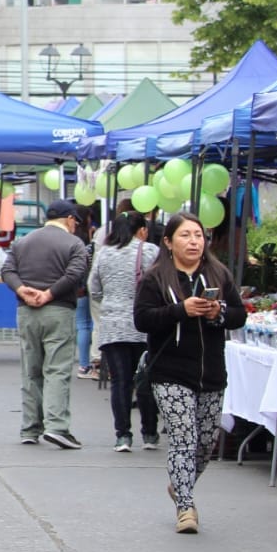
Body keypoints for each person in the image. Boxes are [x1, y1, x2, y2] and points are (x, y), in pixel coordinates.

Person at [134, 212, 245, 534]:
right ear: (168, 242)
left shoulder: (218, 273)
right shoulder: (156, 277)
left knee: (205, 444)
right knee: (183, 438)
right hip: (170, 371)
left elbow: (239, 315)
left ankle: (180, 483)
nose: (194, 241)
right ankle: (186, 507)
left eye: (198, 235)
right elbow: (142, 319)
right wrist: (180, 311)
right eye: (185, 235)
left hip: (211, 370)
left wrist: (218, 311)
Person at [2, 200, 89, 449]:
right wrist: (49, 294)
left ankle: (29, 427)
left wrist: (22, 289)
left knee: (31, 369)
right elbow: (74, 275)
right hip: (59, 310)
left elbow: (7, 270)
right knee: (57, 369)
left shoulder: (22, 242)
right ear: (70, 219)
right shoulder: (75, 244)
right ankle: (57, 426)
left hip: (26, 312)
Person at [90, 210, 160, 453]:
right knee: (146, 380)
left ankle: (123, 436)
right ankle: (150, 433)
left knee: (120, 381)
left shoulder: (103, 253)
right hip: (145, 324)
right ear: (141, 230)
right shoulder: (150, 250)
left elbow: (94, 289)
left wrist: (112, 299)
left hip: (112, 326)